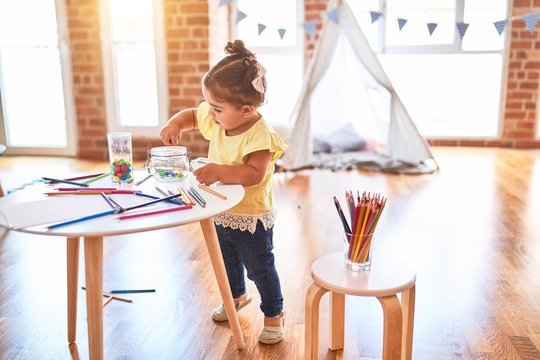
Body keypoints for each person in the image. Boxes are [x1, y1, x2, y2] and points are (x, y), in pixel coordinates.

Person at [160, 39, 288, 345]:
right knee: (226, 260)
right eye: (211, 106)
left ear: (247, 110)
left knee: (260, 268)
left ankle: (273, 314)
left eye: (217, 108)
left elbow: (255, 174)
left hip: (251, 216)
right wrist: (175, 123)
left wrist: (219, 171)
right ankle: (236, 297)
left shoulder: (260, 136)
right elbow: (194, 114)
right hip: (221, 210)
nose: (210, 114)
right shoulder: (219, 118)